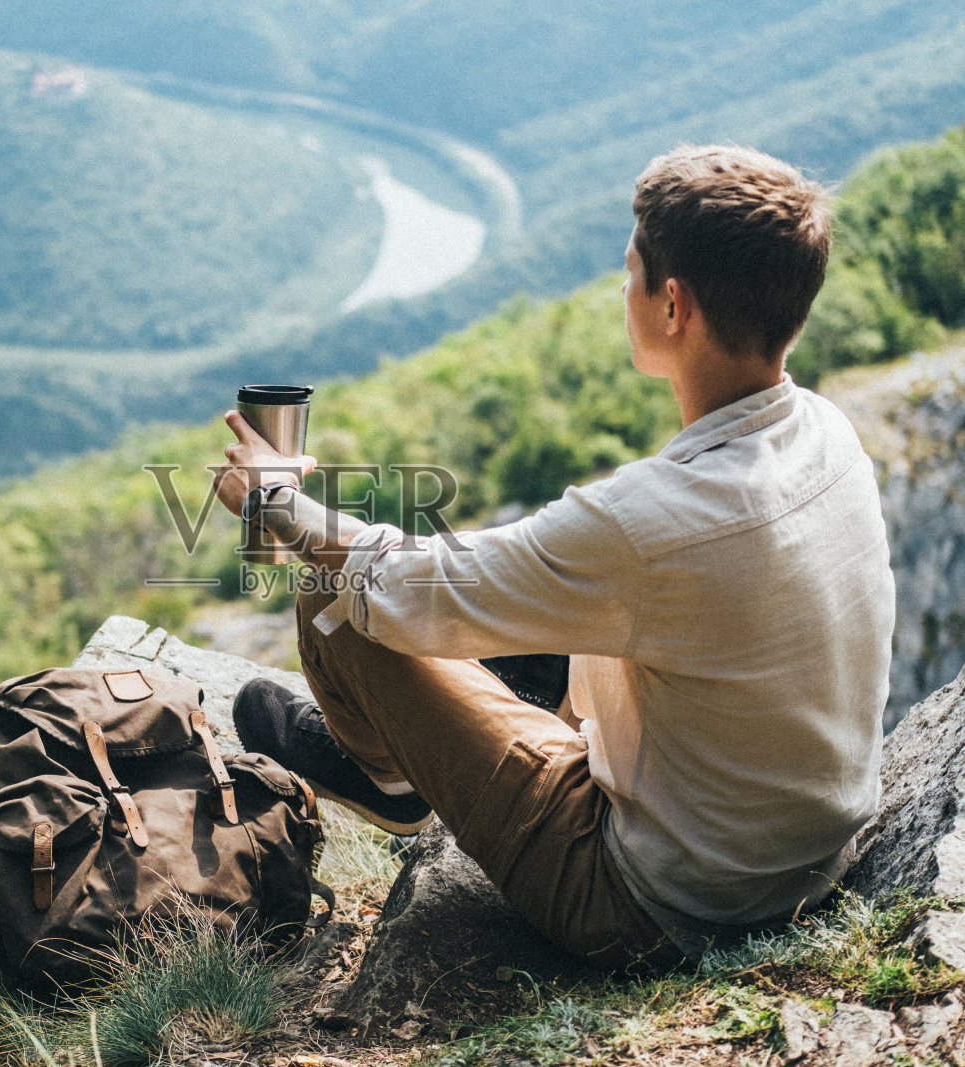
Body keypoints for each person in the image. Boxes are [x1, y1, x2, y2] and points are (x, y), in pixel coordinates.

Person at [210, 144, 895, 968]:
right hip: (812, 856)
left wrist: (272, 500)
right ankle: (488, 717)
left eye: (632, 270)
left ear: (672, 305)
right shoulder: (827, 432)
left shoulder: (651, 520)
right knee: (522, 596)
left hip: (660, 904)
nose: (620, 288)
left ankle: (389, 778)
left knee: (337, 594)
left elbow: (409, 587)